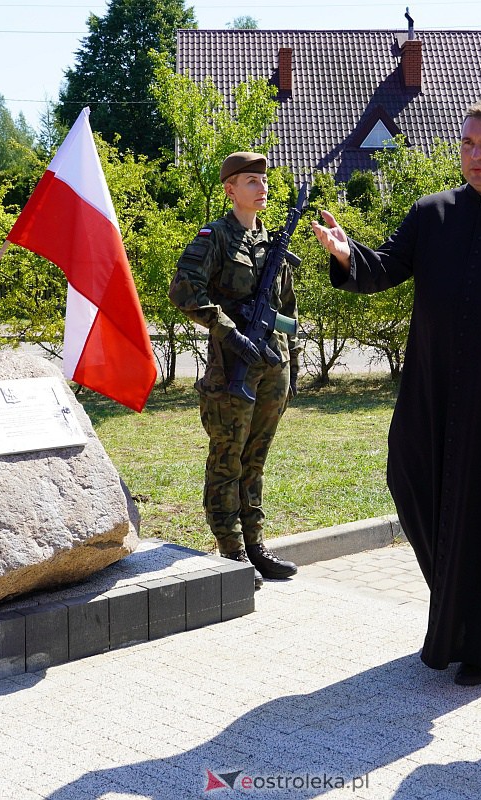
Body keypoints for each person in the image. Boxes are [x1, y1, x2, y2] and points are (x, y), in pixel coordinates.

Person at [311, 99, 481, 686]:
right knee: (411, 480)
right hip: (431, 391)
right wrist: (346, 254)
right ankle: (462, 610)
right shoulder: (431, 213)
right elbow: (384, 267)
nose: (475, 156)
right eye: (467, 144)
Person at [168, 151, 301, 587]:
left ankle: (256, 544)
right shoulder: (216, 237)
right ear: (230, 189)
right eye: (251, 181)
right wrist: (228, 331)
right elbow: (184, 290)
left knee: (255, 459)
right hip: (232, 367)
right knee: (228, 458)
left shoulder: (273, 243)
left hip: (273, 367)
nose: (262, 188)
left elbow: (287, 309)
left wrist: (292, 361)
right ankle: (232, 550)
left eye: (264, 181)